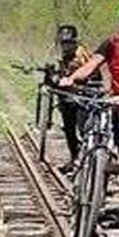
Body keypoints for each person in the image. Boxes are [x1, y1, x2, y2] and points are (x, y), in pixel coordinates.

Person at [49, 23, 85, 160]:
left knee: (82, 130)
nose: (66, 46)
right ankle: (74, 157)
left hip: (82, 97)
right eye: (63, 43)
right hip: (66, 97)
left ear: (75, 41)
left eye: (69, 43)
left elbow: (93, 75)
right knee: (69, 129)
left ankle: (83, 157)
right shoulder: (62, 56)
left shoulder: (82, 55)